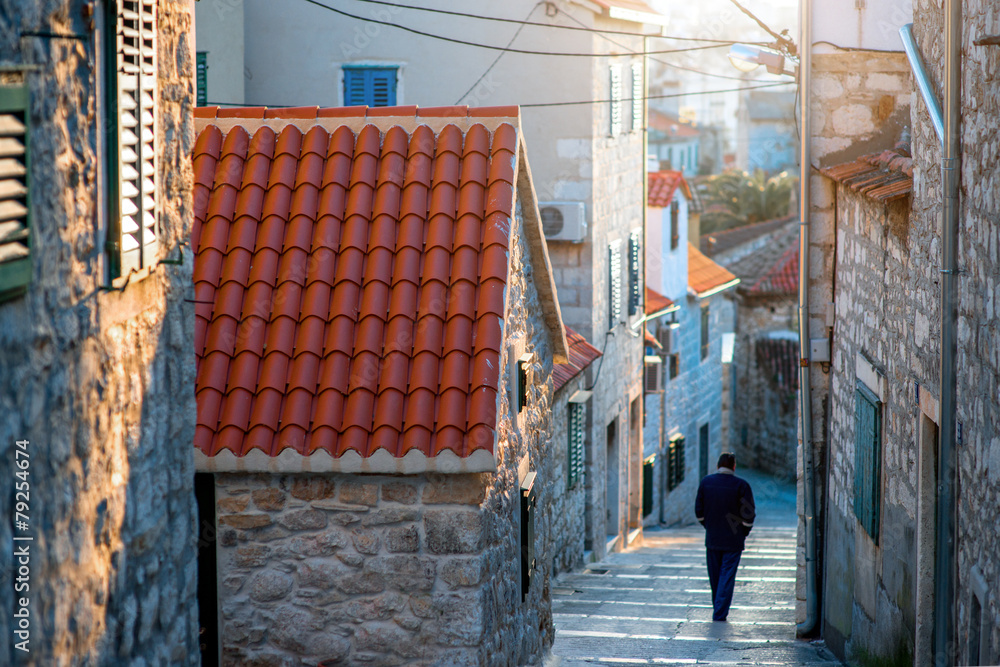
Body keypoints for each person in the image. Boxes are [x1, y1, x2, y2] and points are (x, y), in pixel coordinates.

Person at [694, 452, 755, 622]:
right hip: (733, 541)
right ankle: (719, 613)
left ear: (717, 465)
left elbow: (699, 511)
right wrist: (743, 532)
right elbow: (749, 515)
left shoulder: (706, 482)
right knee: (727, 576)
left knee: (714, 576)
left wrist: (709, 526)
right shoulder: (742, 485)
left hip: (713, 538)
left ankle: (718, 608)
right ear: (734, 466)